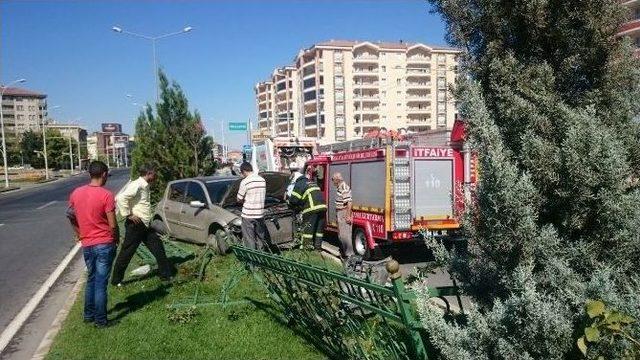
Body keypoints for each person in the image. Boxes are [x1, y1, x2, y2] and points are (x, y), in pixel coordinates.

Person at [67, 161, 118, 327]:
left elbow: (70, 215)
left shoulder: (76, 193)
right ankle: (101, 320)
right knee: (100, 283)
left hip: (87, 243)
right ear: (103, 174)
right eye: (107, 176)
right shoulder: (106, 195)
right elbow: (112, 224)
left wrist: (79, 234)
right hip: (104, 243)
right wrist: (116, 238)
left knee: (92, 278)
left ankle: (88, 315)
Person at [111, 164, 175, 286]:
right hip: (135, 225)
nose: (156, 176)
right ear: (149, 173)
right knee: (127, 252)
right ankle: (116, 280)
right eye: (154, 173)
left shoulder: (145, 185)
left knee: (158, 247)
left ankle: (165, 276)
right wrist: (128, 214)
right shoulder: (137, 185)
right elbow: (120, 198)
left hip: (145, 225)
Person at [288, 167, 327, 250]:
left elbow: (294, 200)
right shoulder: (311, 182)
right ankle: (317, 247)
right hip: (323, 207)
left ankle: (306, 248)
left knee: (308, 229)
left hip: (311, 208)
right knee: (318, 229)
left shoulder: (299, 184)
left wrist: (288, 203)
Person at [237, 162, 268, 250]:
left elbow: (239, 198)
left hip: (248, 215)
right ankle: (261, 258)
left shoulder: (245, 182)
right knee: (260, 238)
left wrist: (243, 200)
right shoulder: (262, 180)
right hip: (260, 214)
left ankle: (251, 262)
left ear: (243, 171)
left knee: (249, 239)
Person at [332, 172, 354, 259]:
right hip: (340, 212)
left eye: (333, 179)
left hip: (343, 212)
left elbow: (349, 202)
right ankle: (345, 253)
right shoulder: (339, 187)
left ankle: (350, 256)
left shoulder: (344, 187)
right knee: (341, 235)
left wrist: (348, 216)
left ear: (337, 180)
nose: (332, 181)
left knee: (345, 236)